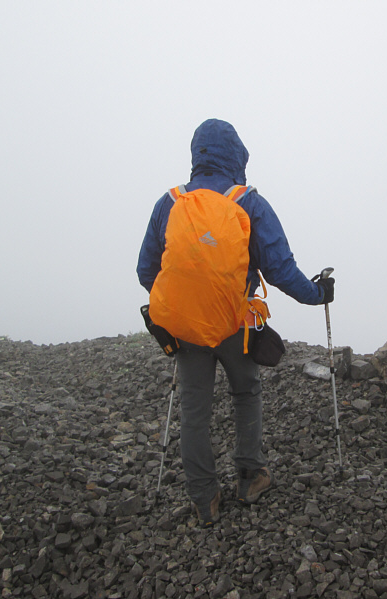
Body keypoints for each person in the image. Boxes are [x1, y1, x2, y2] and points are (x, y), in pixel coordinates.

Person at [137, 118, 334, 527]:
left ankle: (203, 498)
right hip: (234, 322)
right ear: (237, 154)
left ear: (197, 155)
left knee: (194, 411)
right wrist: (317, 294)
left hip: (187, 329)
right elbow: (280, 269)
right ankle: (250, 477)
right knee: (246, 392)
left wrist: (181, 302)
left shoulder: (169, 203)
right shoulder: (249, 202)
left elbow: (146, 270)